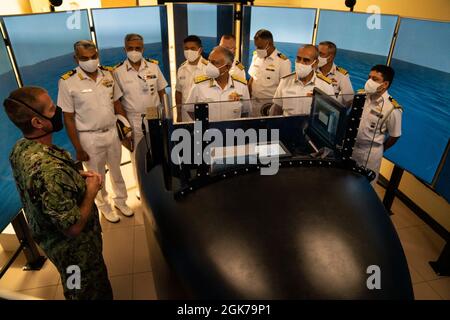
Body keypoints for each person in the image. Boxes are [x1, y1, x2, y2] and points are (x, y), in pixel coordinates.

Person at [4, 86, 113, 300]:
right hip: (76, 254)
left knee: (74, 283)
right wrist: (90, 191)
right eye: (52, 108)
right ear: (37, 122)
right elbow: (72, 227)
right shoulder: (49, 170)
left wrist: (73, 180)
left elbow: (43, 191)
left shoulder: (21, 148)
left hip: (55, 247)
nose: (59, 111)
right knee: (83, 290)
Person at [58, 40, 133, 223]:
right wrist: (77, 148)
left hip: (112, 132)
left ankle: (121, 201)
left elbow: (117, 104)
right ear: (76, 58)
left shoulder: (108, 74)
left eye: (94, 57)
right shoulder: (68, 82)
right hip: (89, 137)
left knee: (117, 171)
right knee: (96, 176)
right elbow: (68, 117)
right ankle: (104, 206)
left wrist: (126, 131)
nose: (90, 61)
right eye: (85, 58)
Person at [113, 33, 168, 200]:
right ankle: (141, 189)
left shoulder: (153, 67)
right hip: (133, 118)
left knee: (158, 151)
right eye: (130, 48)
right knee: (137, 155)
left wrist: (165, 116)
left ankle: (158, 184)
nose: (134, 51)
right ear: (125, 49)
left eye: (138, 48)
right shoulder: (118, 71)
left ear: (143, 48)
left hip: (153, 114)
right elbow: (117, 102)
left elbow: (162, 92)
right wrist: (125, 129)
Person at [352, 65, 402, 182]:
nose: (369, 81)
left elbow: (395, 135)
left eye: (375, 79)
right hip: (351, 147)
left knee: (363, 190)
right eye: (369, 77)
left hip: (369, 154)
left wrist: (381, 149)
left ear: (385, 84)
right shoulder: (361, 95)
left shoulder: (392, 109)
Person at [184, 46, 250, 122]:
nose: (209, 66)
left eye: (215, 63)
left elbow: (245, 112)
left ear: (227, 67)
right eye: (209, 61)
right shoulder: (199, 85)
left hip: (233, 132)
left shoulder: (241, 86)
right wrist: (203, 124)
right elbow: (190, 110)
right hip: (208, 132)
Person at [270, 44, 335, 116]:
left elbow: (331, 115)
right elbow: (276, 109)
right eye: (298, 58)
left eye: (306, 60)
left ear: (315, 63)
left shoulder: (326, 86)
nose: (301, 63)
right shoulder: (285, 81)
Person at [248, 29, 291, 117]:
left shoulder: (283, 62)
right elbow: (252, 78)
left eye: (260, 47)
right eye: (256, 46)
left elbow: (284, 89)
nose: (257, 49)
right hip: (252, 103)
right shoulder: (256, 56)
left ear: (269, 44)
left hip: (268, 106)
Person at [175, 35, 208, 121]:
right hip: (185, 116)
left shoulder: (208, 68)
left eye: (193, 48)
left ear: (200, 50)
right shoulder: (181, 69)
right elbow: (178, 92)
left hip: (203, 115)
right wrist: (179, 114)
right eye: (186, 48)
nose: (189, 51)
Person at [317, 41, 354, 106]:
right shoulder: (311, 69)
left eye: (321, 54)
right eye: (317, 53)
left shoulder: (342, 75)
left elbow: (349, 100)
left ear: (330, 57)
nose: (317, 56)